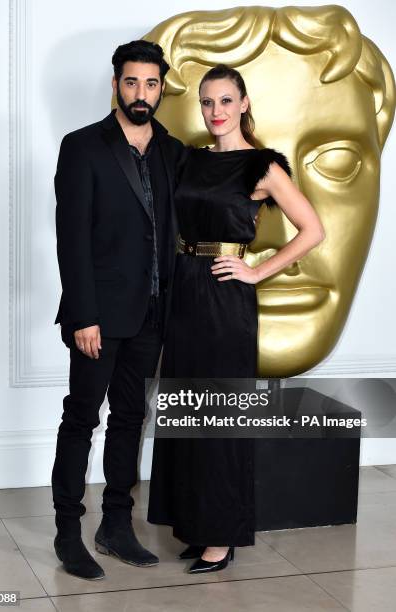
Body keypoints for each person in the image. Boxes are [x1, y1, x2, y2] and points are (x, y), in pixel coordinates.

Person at [147, 64, 325, 573]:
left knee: (220, 416)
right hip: (184, 290)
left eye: (225, 101)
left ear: (244, 103)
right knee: (187, 410)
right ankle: (193, 523)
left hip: (226, 299)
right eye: (207, 102)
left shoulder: (263, 168)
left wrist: (257, 271)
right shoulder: (191, 160)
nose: (215, 112)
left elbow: (312, 230)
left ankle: (219, 537)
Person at [51, 40, 184, 580]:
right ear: (116, 84)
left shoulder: (172, 152)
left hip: (153, 315)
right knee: (82, 419)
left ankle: (116, 524)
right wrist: (83, 315)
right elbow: (70, 238)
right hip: (98, 318)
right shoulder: (82, 146)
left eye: (151, 84)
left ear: (160, 89)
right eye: (131, 82)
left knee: (131, 419)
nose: (141, 93)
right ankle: (66, 531)